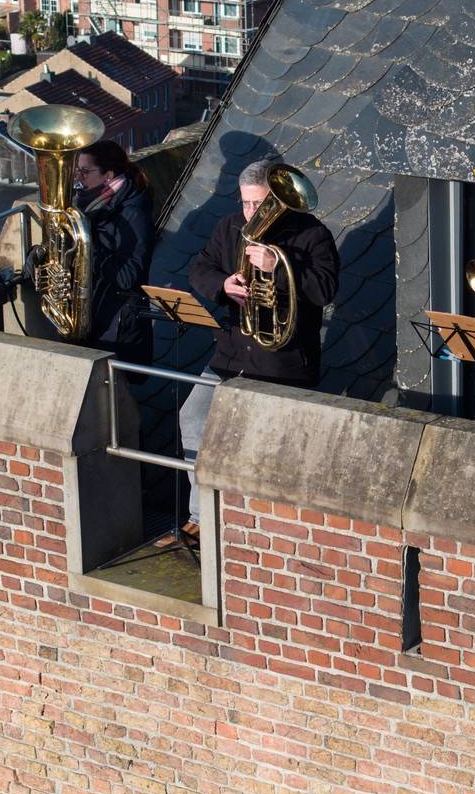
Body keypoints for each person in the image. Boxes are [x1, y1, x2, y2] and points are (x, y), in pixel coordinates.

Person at [162, 159, 340, 547]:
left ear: (279, 199)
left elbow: (325, 290)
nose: (251, 212)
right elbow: (200, 268)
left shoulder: (312, 234)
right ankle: (200, 518)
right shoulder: (229, 227)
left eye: (259, 204)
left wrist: (279, 267)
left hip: (281, 362)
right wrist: (224, 284)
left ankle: (255, 526)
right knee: (192, 417)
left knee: (263, 445)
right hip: (231, 353)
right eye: (245, 203)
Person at [27, 138, 155, 364]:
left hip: (116, 326)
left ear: (108, 175)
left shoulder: (134, 213)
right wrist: (40, 253)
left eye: (85, 172)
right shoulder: (84, 204)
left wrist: (86, 249)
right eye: (77, 171)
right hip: (88, 314)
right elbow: (64, 245)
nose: (78, 177)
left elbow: (129, 277)